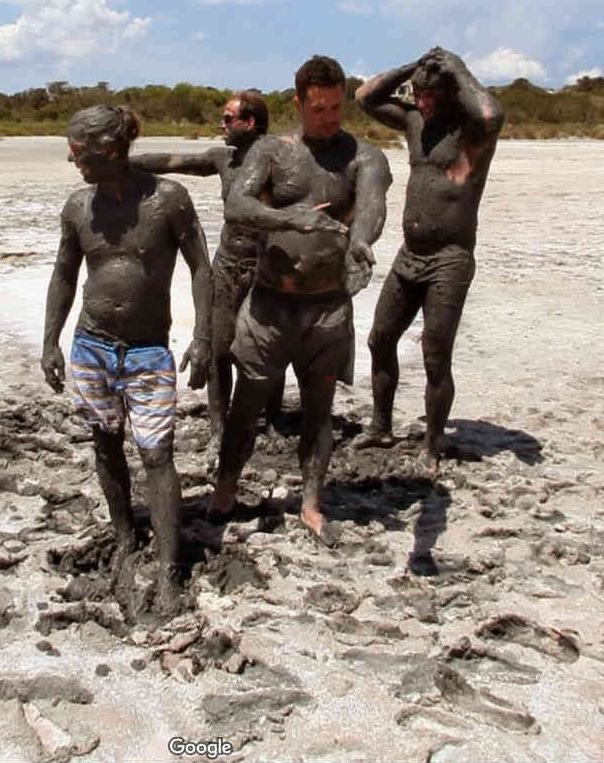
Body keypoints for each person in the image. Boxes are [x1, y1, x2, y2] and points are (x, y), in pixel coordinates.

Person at [211, 55, 391, 546]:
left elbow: (373, 205)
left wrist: (361, 241)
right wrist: (292, 219)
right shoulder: (273, 150)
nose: (330, 117)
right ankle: (224, 492)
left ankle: (311, 503)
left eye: (336, 107)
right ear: (298, 103)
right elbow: (237, 205)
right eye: (319, 109)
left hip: (327, 309)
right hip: (269, 307)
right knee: (246, 406)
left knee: (319, 411)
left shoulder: (365, 156)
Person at [41, 104, 213, 615]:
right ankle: (123, 537)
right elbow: (64, 275)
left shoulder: (168, 201)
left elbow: (203, 269)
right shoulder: (78, 208)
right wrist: (50, 341)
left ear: (109, 151)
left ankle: (167, 566)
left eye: (77, 152)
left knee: (157, 454)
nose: (73, 162)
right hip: (91, 345)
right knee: (104, 442)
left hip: (147, 350)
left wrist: (203, 337)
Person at [352, 47, 504, 474]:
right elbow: (365, 96)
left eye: (430, 95)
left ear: (451, 92)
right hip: (409, 255)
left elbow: (493, 115)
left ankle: (433, 445)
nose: (422, 102)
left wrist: (457, 67)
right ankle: (381, 425)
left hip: (450, 259)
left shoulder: (472, 128)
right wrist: (411, 66)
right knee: (380, 338)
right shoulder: (414, 120)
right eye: (417, 94)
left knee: (436, 355)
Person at [129, 90, 284, 443]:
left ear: (251, 123)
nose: (222, 125)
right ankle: (219, 425)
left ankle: (273, 419)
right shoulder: (222, 159)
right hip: (228, 263)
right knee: (219, 348)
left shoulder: (282, 159)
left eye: (229, 119)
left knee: (270, 347)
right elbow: (173, 161)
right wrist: (123, 162)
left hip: (269, 266)